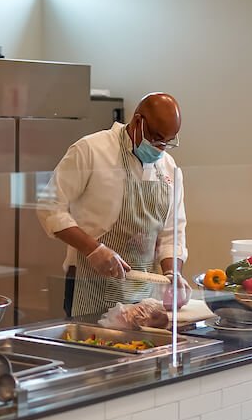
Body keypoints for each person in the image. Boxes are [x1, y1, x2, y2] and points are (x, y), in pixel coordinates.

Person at [37, 92, 190, 319]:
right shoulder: (90, 150)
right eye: (157, 139)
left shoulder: (168, 167)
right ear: (138, 122)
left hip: (143, 295)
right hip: (88, 286)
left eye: (168, 142)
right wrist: (93, 249)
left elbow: (172, 232)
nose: (161, 148)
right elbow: (49, 206)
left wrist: (172, 273)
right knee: (90, 352)